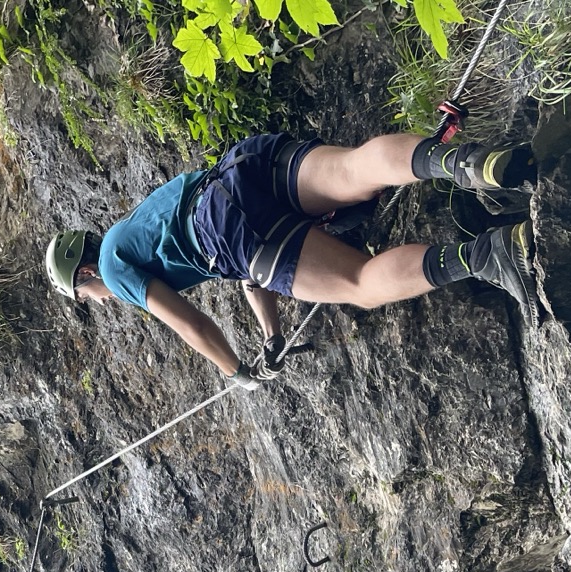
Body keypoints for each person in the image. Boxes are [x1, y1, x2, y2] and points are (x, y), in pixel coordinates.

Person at [44, 130, 535, 387]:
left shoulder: (113, 268)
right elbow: (248, 273)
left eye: (85, 296)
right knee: (355, 166)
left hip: (226, 232)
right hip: (239, 172)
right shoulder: (135, 228)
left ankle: (490, 254)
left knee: (360, 284)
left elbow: (191, 325)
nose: (98, 300)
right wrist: (271, 336)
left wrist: (239, 374)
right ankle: (470, 162)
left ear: (85, 272)